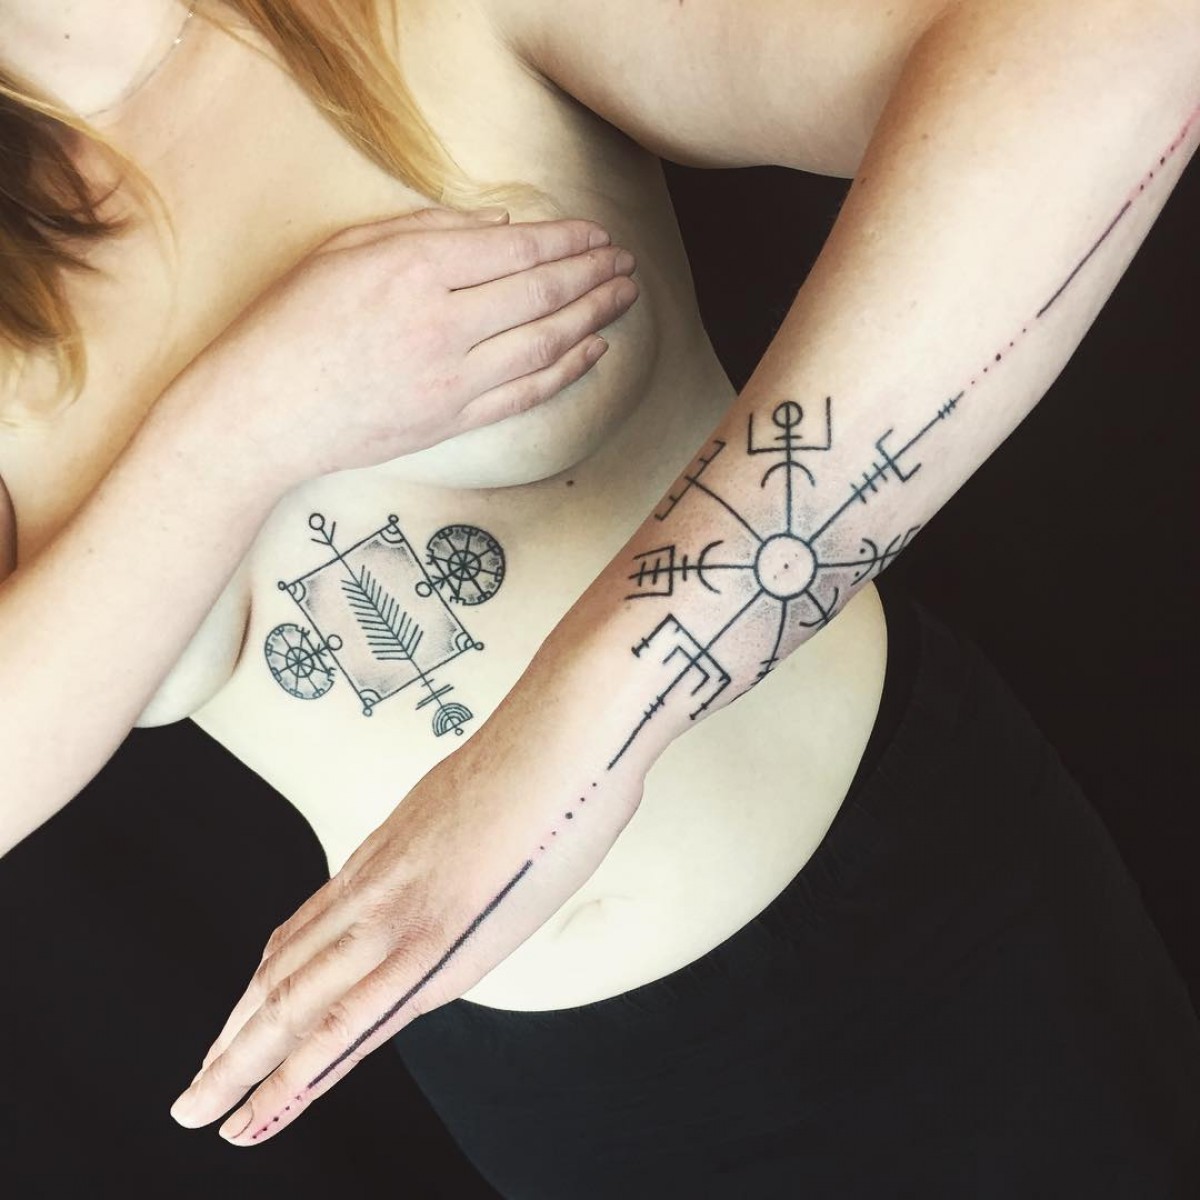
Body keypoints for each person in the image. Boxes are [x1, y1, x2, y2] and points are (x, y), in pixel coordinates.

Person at [2, 0, 1197, 1195]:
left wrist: (588, 728)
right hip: (563, 1107)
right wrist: (240, 424)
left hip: (931, 934)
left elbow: (1119, 38)